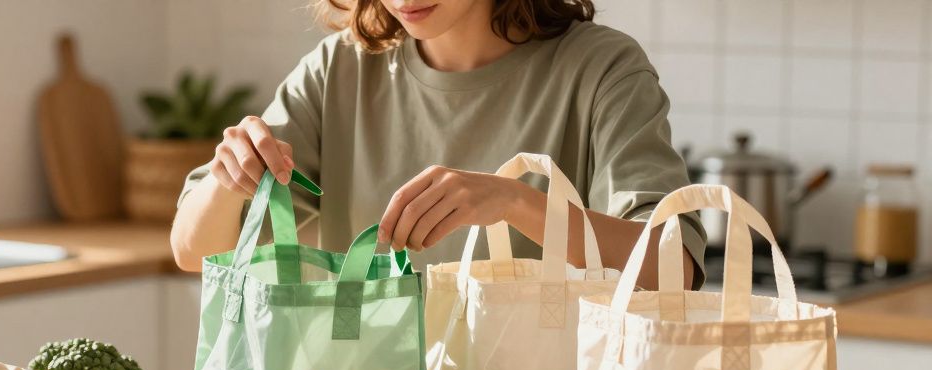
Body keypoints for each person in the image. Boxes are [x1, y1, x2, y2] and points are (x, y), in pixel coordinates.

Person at [170, 0, 703, 289]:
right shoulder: (339, 70)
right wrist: (227, 180)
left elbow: (673, 269)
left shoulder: (602, 69)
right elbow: (193, 252)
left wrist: (514, 202)